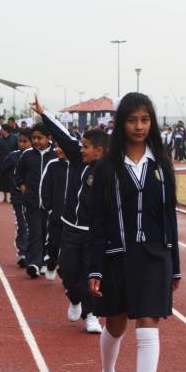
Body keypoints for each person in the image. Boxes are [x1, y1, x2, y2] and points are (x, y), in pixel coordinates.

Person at [88, 93, 181, 372]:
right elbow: (97, 221)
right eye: (132, 120)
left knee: (148, 324)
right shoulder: (107, 168)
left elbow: (169, 217)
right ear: (121, 124)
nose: (139, 126)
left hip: (155, 256)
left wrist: (175, 265)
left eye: (145, 120)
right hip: (117, 256)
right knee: (115, 325)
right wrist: (95, 267)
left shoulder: (162, 166)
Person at [34, 97, 108, 333]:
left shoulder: (108, 171)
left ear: (99, 151)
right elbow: (62, 135)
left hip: (93, 233)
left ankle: (92, 315)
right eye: (81, 146)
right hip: (69, 229)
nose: (81, 149)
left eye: (86, 147)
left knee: (89, 274)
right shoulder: (77, 158)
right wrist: (43, 113)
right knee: (66, 270)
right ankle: (74, 299)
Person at [15, 122, 56, 278]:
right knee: (35, 232)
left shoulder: (55, 155)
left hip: (51, 204)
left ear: (48, 138)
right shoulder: (27, 155)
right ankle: (34, 264)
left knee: (47, 234)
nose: (36, 141)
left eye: (40, 138)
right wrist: (23, 187)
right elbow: (19, 174)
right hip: (32, 202)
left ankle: (45, 261)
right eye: (34, 138)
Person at [0, 130, 32, 266]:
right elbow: (1, 171)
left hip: (35, 199)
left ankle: (36, 254)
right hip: (18, 197)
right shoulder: (13, 156)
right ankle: (22, 253)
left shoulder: (38, 157)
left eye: (25, 141)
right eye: (20, 141)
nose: (22, 144)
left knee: (35, 226)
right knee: (22, 224)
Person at [39, 143, 67, 281]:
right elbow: (44, 188)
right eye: (57, 147)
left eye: (62, 147)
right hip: (56, 215)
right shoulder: (52, 165)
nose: (58, 149)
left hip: (75, 219)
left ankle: (66, 271)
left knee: (71, 248)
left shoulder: (81, 165)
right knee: (53, 244)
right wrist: (50, 209)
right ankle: (51, 263)